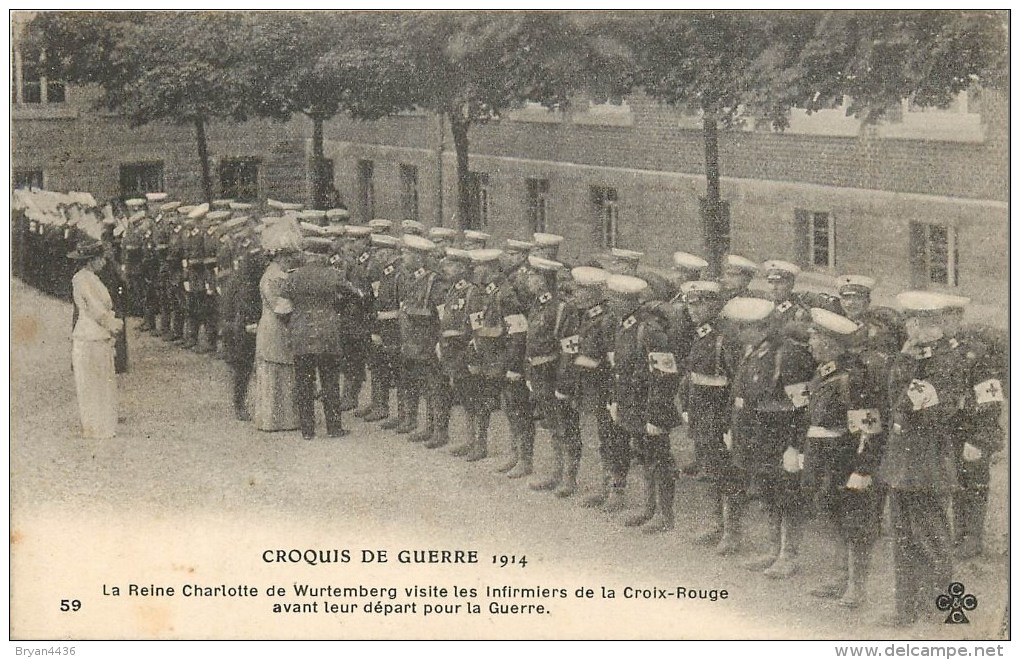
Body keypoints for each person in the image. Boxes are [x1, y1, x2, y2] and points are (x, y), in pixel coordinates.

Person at [878, 291, 970, 626]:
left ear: (931, 324)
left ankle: (941, 609)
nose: (910, 327)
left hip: (927, 462)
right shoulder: (922, 358)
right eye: (910, 320)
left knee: (931, 537)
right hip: (906, 462)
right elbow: (896, 400)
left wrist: (903, 361)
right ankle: (908, 608)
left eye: (915, 321)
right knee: (903, 537)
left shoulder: (944, 362)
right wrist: (905, 361)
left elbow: (902, 402)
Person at [802, 307, 887, 609]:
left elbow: (869, 427)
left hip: (845, 461)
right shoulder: (824, 372)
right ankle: (840, 577)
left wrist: (863, 469)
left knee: (855, 524)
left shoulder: (853, 378)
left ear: (830, 342)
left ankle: (857, 588)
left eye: (815, 338)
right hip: (824, 459)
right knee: (833, 517)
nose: (810, 344)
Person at [606, 274, 682, 533]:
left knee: (660, 460)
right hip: (632, 405)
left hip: (651, 407)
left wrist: (657, 417)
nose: (611, 303)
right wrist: (617, 401)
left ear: (630, 302)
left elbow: (665, 376)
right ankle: (650, 508)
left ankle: (665, 514)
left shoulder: (649, 330)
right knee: (643, 457)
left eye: (616, 299)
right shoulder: (624, 326)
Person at [278, 237, 360, 440]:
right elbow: (356, 296)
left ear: (307, 255)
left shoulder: (294, 277)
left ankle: (307, 430)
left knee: (304, 383)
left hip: (301, 334)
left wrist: (294, 323)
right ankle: (333, 428)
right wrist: (337, 311)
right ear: (323, 255)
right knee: (330, 382)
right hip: (328, 333)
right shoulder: (334, 275)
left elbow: (281, 309)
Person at [69, 239, 123, 439]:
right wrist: (113, 324)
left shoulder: (90, 277)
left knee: (100, 381)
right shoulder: (82, 279)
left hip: (97, 335)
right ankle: (96, 427)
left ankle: (101, 425)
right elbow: (95, 308)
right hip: (90, 335)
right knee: (93, 382)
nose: (104, 262)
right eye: (101, 259)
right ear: (92, 260)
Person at [252, 219, 301, 432]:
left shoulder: (275, 274)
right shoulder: (274, 277)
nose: (290, 261)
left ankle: (278, 418)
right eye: (288, 257)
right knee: (277, 369)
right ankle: (278, 419)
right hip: (276, 327)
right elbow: (281, 308)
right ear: (280, 256)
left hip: (273, 327)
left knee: (280, 370)